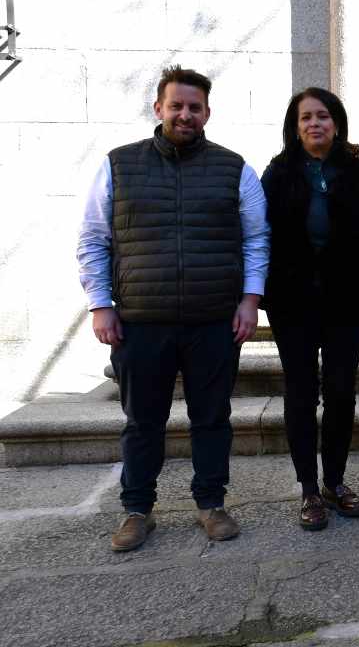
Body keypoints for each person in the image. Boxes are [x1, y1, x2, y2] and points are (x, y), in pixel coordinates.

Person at [77, 65, 269, 552]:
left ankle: (211, 503)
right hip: (142, 322)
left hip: (213, 320)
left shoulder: (234, 168)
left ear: (207, 113)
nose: (185, 114)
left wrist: (250, 300)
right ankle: (137, 510)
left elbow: (256, 238)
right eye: (176, 105)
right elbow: (94, 240)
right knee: (143, 422)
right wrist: (101, 305)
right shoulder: (118, 165)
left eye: (195, 107)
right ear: (158, 108)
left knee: (212, 419)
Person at [260, 87, 359, 531]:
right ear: (295, 128)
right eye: (305, 118)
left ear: (336, 123)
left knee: (340, 391)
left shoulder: (357, 172)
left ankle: (334, 480)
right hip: (291, 302)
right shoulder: (277, 174)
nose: (314, 124)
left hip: (345, 301)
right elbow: (261, 237)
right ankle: (308, 489)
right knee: (300, 392)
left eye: (322, 116)